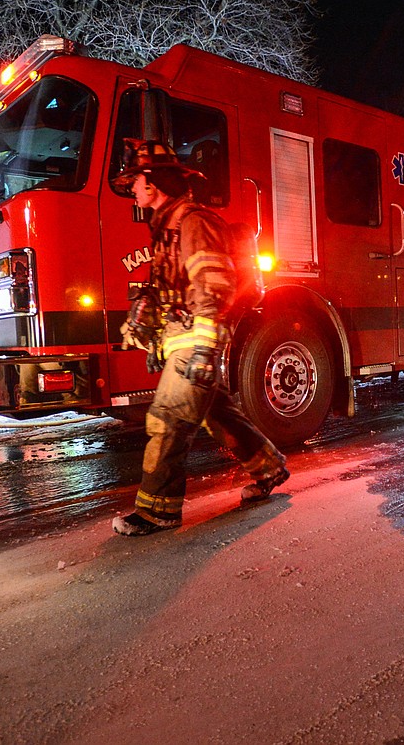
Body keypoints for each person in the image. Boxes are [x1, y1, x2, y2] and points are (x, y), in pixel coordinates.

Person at [111, 139, 289, 537]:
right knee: (216, 413)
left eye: (135, 182)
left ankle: (158, 511)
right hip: (183, 339)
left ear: (153, 182)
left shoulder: (193, 222)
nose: (132, 190)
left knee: (169, 419)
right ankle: (269, 468)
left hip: (199, 339)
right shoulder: (168, 227)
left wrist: (207, 349)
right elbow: (170, 292)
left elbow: (212, 287)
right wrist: (153, 338)